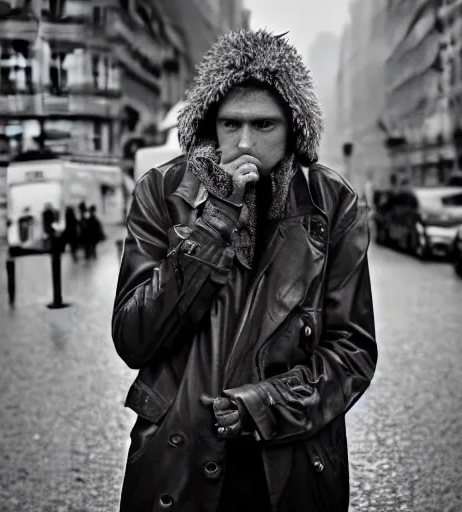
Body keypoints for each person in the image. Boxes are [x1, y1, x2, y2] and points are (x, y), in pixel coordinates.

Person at [112, 30, 377, 512]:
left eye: (264, 125)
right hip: (179, 459)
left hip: (290, 468)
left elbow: (353, 352)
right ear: (210, 125)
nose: (245, 142)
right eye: (230, 124)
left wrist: (264, 404)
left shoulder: (331, 202)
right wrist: (215, 220)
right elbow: (133, 337)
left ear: (293, 128)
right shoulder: (162, 191)